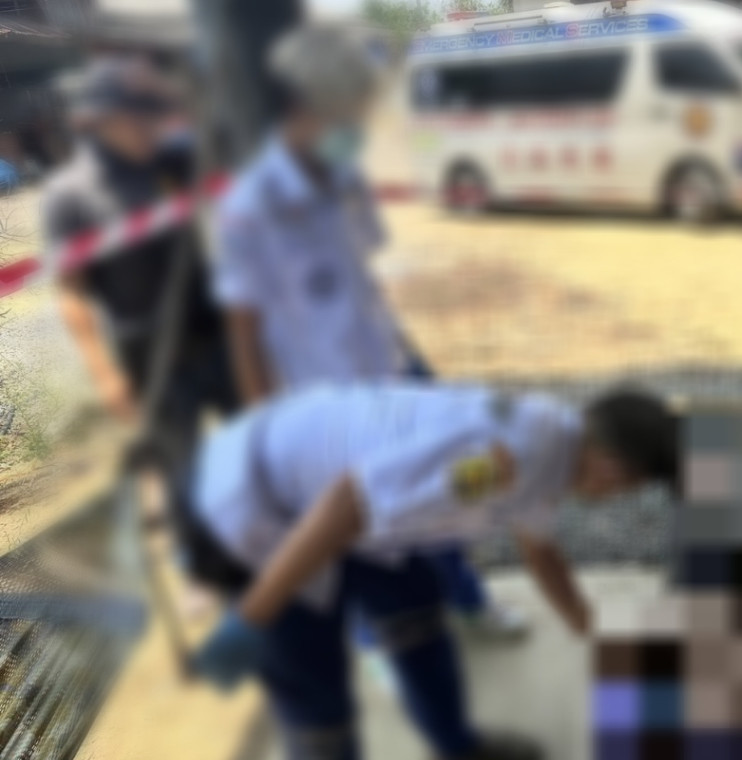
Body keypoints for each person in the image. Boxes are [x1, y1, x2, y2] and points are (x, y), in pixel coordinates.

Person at [210, 24, 523, 640]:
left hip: (391, 371)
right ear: (302, 106)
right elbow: (243, 332)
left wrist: (409, 359)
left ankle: (466, 601)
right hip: (326, 402)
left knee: (439, 492)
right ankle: (379, 639)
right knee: (356, 527)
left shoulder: (345, 177)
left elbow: (362, 276)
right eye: (346, 111)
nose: (357, 125)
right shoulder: (250, 210)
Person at [189, 382, 679, 760]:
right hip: (267, 500)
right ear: (613, 472)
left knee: (415, 601)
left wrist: (587, 627)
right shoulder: (501, 465)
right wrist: (252, 616)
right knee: (318, 701)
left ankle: (458, 748)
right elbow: (348, 503)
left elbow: (540, 549)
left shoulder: (559, 441)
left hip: (341, 499)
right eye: (632, 489)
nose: (623, 498)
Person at [40, 58, 240, 579]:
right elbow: (72, 293)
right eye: (138, 115)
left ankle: (278, 537)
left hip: (214, 331)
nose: (150, 125)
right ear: (100, 121)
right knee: (183, 466)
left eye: (153, 113)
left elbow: (231, 152)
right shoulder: (70, 196)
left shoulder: (177, 162)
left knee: (258, 439)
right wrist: (104, 373)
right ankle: (209, 567)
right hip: (149, 354)